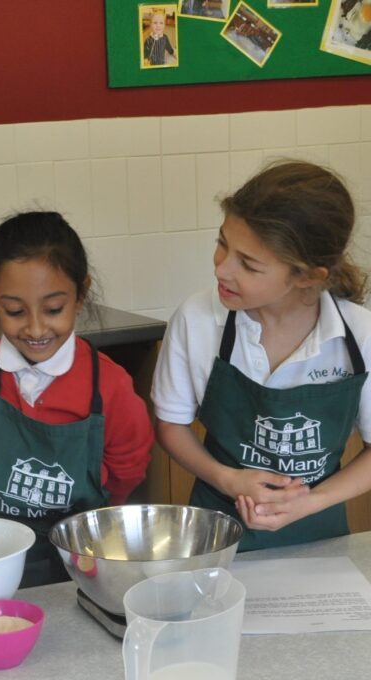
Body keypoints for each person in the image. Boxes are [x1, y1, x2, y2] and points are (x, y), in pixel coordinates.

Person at [152, 160, 371, 551]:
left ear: (309, 276)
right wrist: (228, 479)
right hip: (215, 532)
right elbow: (172, 425)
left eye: (248, 265)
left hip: (318, 537)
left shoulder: (360, 335)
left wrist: (309, 501)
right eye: (222, 244)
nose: (222, 269)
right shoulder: (198, 319)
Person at [0, 211, 154, 587]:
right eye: (15, 311)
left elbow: (128, 471)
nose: (36, 328)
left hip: (76, 564)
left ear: (81, 293)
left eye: (53, 309)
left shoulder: (111, 386)